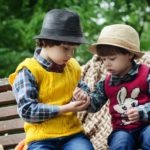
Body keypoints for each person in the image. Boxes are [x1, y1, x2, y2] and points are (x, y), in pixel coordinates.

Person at [9, 9, 94, 150]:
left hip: (72, 135)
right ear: (45, 42)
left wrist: (83, 96)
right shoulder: (28, 70)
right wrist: (64, 109)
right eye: (65, 49)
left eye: (73, 49)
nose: (70, 55)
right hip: (41, 139)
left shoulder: (72, 66)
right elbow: (27, 111)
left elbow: (83, 90)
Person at [73, 24, 150, 150]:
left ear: (129, 55)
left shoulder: (147, 74)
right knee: (120, 144)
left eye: (112, 59)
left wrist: (142, 112)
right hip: (123, 130)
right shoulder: (105, 83)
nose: (106, 64)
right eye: (103, 59)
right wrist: (84, 98)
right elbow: (94, 105)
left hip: (147, 125)